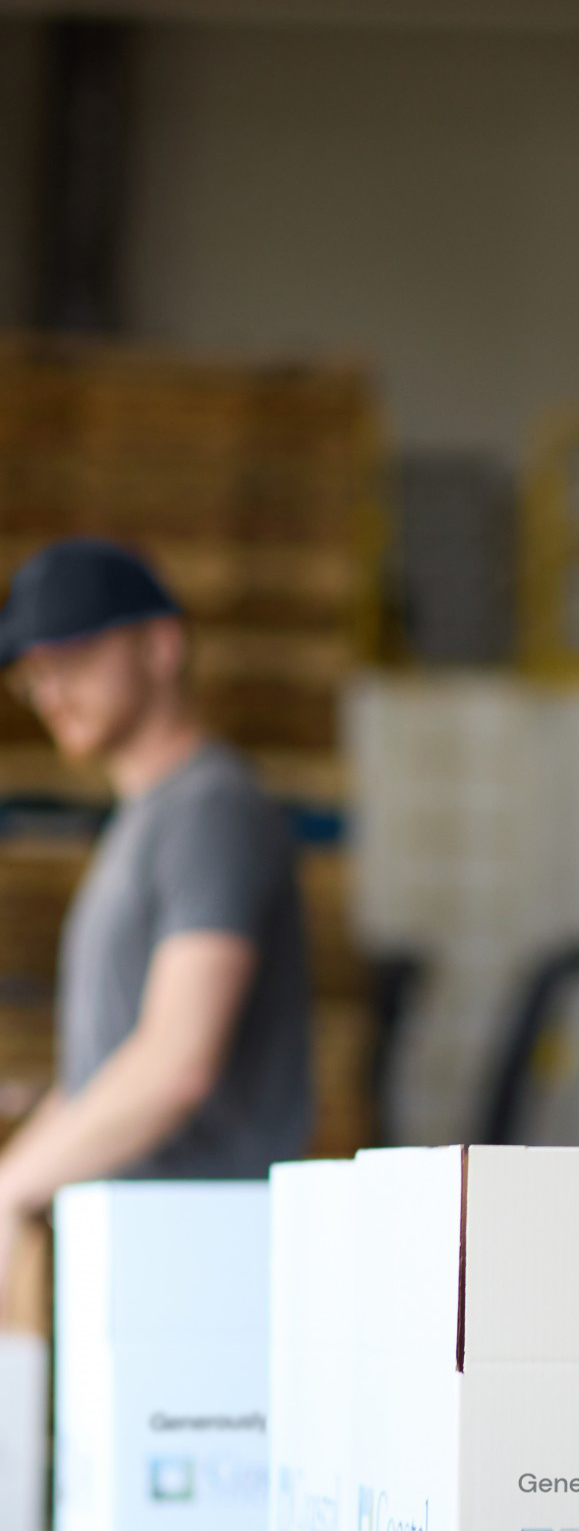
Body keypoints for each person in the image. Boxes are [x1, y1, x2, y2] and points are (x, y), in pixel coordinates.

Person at [0, 539, 312, 1305]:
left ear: (161, 646)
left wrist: (11, 1190)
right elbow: (110, 1074)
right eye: (32, 675)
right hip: (148, 1249)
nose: (50, 693)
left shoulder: (210, 811)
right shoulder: (145, 822)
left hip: (204, 1259)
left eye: (71, 658)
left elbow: (176, 1062)